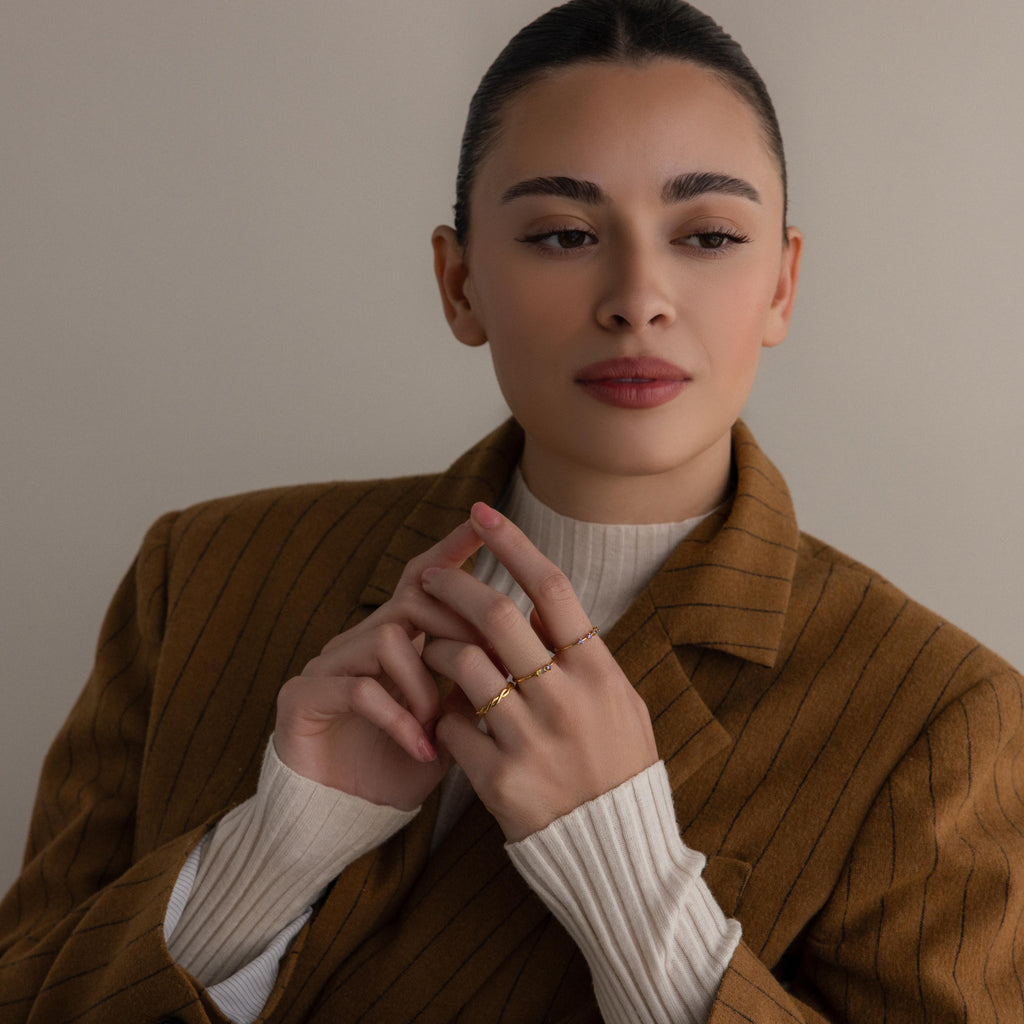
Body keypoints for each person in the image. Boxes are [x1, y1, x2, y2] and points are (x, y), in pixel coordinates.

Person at [1, 1, 1021, 1021]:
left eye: (707, 234)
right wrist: (269, 854)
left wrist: (632, 889)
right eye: (563, 233)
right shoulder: (203, 576)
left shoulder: (940, 717)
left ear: (781, 284)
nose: (637, 296)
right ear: (459, 284)